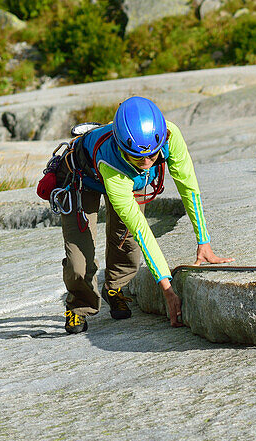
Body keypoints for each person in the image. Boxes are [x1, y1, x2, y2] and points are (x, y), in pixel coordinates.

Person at [46, 96, 232, 334]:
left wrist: (203, 241)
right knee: (78, 261)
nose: (146, 163)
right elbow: (142, 229)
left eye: (152, 156)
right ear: (122, 147)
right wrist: (167, 288)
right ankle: (79, 307)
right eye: (137, 157)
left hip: (128, 178)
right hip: (82, 178)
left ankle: (115, 288)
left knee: (127, 245)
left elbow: (189, 189)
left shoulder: (170, 135)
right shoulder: (111, 162)